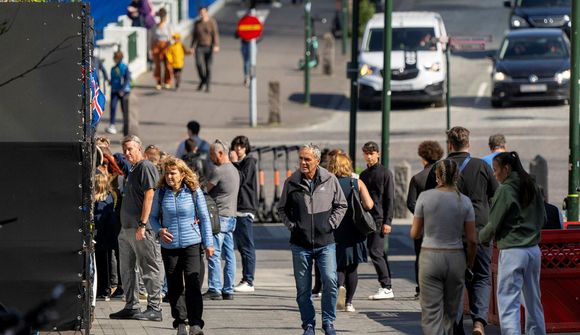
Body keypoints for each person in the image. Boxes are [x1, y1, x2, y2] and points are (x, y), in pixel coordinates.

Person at [425, 126, 498, 335]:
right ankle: (479, 322)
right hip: (479, 230)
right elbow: (496, 195)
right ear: (469, 143)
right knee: (482, 277)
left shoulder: (439, 168)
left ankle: (457, 330)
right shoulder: (482, 166)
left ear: (450, 145)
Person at [277, 144, 347, 335]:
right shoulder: (291, 182)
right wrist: (293, 226)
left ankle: (328, 322)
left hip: (326, 243)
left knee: (331, 280)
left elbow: (342, 205)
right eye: (301, 158)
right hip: (300, 245)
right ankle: (308, 324)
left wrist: (331, 224)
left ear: (317, 160)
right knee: (303, 289)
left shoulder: (330, 180)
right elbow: (281, 209)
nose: (303, 162)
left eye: (307, 159)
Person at [479, 152, 547, 335]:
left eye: (496, 170)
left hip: (512, 250)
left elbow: (493, 223)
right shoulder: (531, 184)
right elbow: (544, 217)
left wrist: (480, 238)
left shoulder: (505, 190)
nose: (494, 174)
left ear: (506, 169)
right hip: (533, 250)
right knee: (534, 301)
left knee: (509, 302)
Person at [411, 159, 477, 335]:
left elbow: (415, 233)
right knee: (451, 311)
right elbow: (472, 240)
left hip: (431, 256)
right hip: (455, 257)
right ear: (457, 176)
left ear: (437, 175)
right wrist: (469, 264)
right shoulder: (464, 201)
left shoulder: (425, 197)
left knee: (431, 312)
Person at [149, 157, 215, 335]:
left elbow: (205, 219)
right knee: (174, 285)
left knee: (193, 283)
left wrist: (209, 243)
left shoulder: (194, 191)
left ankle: (195, 323)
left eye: (173, 173)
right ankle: (180, 321)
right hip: (169, 246)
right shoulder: (161, 192)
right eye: (167, 173)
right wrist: (160, 230)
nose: (169, 176)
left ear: (182, 174)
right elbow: (152, 218)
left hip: (192, 244)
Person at [109, 135, 164, 322]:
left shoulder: (146, 167)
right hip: (126, 229)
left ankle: (155, 308)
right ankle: (131, 306)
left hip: (142, 229)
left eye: (130, 149)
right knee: (127, 269)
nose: (126, 153)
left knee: (149, 268)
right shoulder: (132, 169)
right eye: (124, 150)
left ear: (139, 149)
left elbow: (150, 194)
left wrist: (142, 224)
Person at [327, 152, 374, 313]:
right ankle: (349, 303)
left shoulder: (329, 183)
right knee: (352, 269)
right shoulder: (356, 182)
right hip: (355, 229)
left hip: (335, 229)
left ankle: (339, 287)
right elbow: (368, 205)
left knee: (338, 266)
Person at [406, 140, 444, 298]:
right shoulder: (443, 176)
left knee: (421, 257)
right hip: (441, 225)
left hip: (422, 226)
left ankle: (422, 288)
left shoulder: (417, 178)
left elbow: (410, 203)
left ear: (423, 157)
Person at [203, 139, 240, 300]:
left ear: (220, 153)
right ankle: (228, 288)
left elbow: (205, 189)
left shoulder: (219, 171)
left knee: (214, 253)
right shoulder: (234, 169)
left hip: (219, 218)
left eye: (212, 154)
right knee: (229, 254)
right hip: (232, 216)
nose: (211, 157)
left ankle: (214, 288)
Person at [360, 141, 395, 300]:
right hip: (367, 218)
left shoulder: (385, 173)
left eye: (371, 153)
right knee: (379, 252)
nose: (369, 156)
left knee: (375, 252)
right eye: (366, 153)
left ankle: (386, 286)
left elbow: (390, 199)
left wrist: (388, 221)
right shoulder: (364, 174)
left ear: (378, 154)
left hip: (379, 218)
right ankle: (387, 285)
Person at [230, 136, 258, 293]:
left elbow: (241, 178)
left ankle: (249, 280)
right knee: (241, 246)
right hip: (237, 208)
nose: (238, 149)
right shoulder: (242, 163)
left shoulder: (249, 162)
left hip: (245, 208)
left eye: (241, 146)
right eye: (236, 146)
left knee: (247, 246)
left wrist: (233, 163)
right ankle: (245, 279)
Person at [94, 172, 119, 301]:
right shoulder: (109, 198)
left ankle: (102, 289)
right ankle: (105, 288)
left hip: (100, 238)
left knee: (100, 265)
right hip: (107, 238)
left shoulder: (98, 203)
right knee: (106, 264)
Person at [191, 7, 220, 92]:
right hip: (199, 46)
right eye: (200, 12)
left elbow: (215, 34)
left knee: (208, 67)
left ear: (207, 12)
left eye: (203, 12)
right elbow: (194, 36)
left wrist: (216, 45)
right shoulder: (197, 23)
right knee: (198, 64)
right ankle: (203, 79)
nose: (202, 14)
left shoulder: (211, 22)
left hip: (209, 46)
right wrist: (192, 46)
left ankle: (207, 85)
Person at [105, 51, 131, 136]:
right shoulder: (113, 68)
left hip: (123, 92)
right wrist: (110, 82)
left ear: (119, 58)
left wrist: (122, 90)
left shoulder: (124, 67)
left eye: (115, 58)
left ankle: (126, 126)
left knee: (124, 110)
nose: (114, 59)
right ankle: (112, 124)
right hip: (114, 91)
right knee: (112, 107)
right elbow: (113, 79)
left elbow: (127, 79)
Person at [151, 8, 173, 90]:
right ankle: (158, 82)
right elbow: (153, 38)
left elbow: (171, 37)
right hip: (157, 45)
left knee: (167, 64)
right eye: (161, 16)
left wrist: (170, 45)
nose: (162, 18)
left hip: (166, 46)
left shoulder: (168, 26)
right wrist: (152, 48)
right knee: (157, 65)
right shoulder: (155, 26)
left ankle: (167, 81)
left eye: (163, 16)